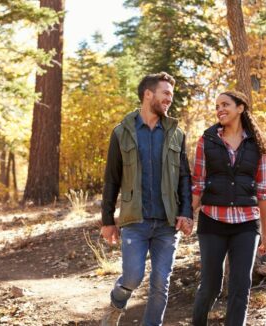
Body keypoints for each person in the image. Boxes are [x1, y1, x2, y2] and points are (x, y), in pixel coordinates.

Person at [100, 72, 193, 326]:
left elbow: (185, 177)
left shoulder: (176, 134)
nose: (169, 100)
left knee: (161, 283)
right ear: (148, 94)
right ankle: (116, 304)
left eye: (171, 96)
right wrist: (107, 220)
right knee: (132, 277)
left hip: (167, 222)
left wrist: (186, 212)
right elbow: (112, 179)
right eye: (165, 94)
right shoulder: (122, 132)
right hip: (135, 219)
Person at [191, 90, 266, 326]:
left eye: (225, 104)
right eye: (217, 106)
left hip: (247, 224)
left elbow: (263, 190)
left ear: (240, 108)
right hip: (212, 221)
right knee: (210, 285)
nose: (220, 110)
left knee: (241, 286)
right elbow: (197, 184)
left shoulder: (258, 145)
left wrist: (265, 234)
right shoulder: (206, 140)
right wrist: (188, 217)